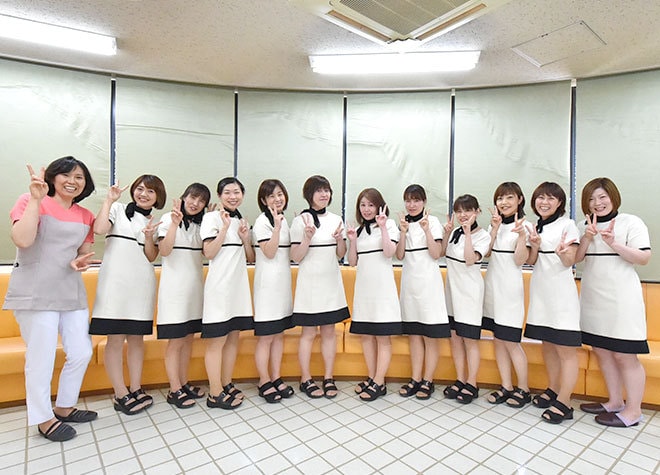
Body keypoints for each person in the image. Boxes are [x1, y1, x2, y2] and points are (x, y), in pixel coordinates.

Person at [3, 157, 97, 442]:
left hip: (70, 290)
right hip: (36, 290)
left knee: (81, 351)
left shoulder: (85, 215)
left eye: (79, 177)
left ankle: (65, 407)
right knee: (41, 356)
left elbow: (83, 252)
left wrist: (81, 262)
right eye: (66, 175)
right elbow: (22, 240)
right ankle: (43, 418)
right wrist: (35, 200)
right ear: (53, 177)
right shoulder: (30, 200)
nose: (72, 181)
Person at [576, 178, 651, 427]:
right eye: (591, 199)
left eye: (602, 197)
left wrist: (614, 243)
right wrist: (587, 237)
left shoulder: (631, 222)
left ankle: (634, 411)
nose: (597, 203)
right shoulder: (584, 225)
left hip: (622, 299)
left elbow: (643, 258)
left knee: (624, 355)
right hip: (593, 297)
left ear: (613, 197)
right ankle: (615, 401)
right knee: (602, 351)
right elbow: (577, 259)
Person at [89, 175, 166, 415]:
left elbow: (151, 256)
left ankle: (135, 387)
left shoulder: (155, 221)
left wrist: (150, 236)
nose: (144, 194)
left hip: (141, 285)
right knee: (115, 339)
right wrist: (108, 200)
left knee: (136, 340)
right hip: (115, 284)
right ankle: (120, 393)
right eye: (140, 189)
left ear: (158, 197)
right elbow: (99, 229)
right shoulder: (118, 209)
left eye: (150, 191)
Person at [524, 181, 580, 424]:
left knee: (566, 350)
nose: (544, 202)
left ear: (560, 203)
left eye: (550, 198)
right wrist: (535, 246)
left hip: (561, 295)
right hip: (541, 294)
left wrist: (563, 253)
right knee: (547, 345)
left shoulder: (568, 225)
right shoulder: (536, 226)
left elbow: (570, 261)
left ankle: (565, 402)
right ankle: (554, 389)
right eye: (540, 197)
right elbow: (531, 261)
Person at [290, 175, 350, 399]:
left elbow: (341, 254)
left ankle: (328, 377)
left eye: (327, 190)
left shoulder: (336, 219)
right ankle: (305, 378)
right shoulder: (301, 220)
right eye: (319, 190)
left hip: (331, 283)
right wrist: (307, 238)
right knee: (308, 333)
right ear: (309, 195)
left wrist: (340, 240)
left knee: (329, 332)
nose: (324, 194)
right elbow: (296, 256)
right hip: (310, 284)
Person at [201, 177, 254, 409]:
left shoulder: (241, 220)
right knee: (217, 342)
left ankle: (226, 383)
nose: (233, 196)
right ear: (220, 196)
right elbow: (209, 253)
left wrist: (245, 238)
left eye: (237, 192)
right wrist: (223, 228)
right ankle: (214, 393)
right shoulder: (211, 218)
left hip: (238, 288)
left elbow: (250, 258)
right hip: (220, 289)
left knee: (233, 338)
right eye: (227, 192)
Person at [157, 183, 211, 409]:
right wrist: (174, 224)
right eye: (192, 197)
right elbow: (164, 250)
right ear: (184, 197)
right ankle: (174, 389)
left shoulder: (200, 225)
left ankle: (184, 382)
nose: (195, 203)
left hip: (194, 291)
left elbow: (208, 253)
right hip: (174, 292)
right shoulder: (167, 219)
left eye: (201, 201)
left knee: (189, 339)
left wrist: (213, 220)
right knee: (176, 341)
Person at [395, 184, 449, 401]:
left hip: (429, 285)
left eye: (416, 200)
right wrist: (402, 232)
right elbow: (399, 255)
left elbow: (436, 254)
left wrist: (426, 230)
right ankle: (415, 378)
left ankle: (428, 380)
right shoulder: (403, 223)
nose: (412, 204)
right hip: (410, 284)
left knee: (430, 336)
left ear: (424, 202)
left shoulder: (432, 221)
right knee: (414, 335)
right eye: (408, 200)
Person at [347, 188, 401, 401]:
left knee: (383, 338)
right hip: (364, 290)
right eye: (363, 205)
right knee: (367, 337)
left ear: (379, 206)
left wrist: (383, 227)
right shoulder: (359, 231)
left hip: (383, 290)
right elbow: (352, 262)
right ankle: (372, 378)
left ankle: (379, 381)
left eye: (371, 204)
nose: (366, 209)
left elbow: (389, 252)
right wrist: (352, 240)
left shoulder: (389, 225)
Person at [482, 182, 531, 408]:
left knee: (511, 342)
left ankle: (524, 389)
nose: (504, 202)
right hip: (492, 288)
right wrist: (493, 229)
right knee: (498, 340)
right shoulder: (496, 224)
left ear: (519, 199)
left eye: (509, 197)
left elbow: (521, 260)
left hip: (510, 292)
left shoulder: (526, 226)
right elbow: (486, 253)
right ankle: (506, 386)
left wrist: (521, 236)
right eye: (500, 198)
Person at [441, 194, 491, 404]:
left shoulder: (483, 236)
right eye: (459, 211)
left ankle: (472, 383)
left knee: (470, 340)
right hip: (452, 291)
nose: (463, 215)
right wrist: (446, 233)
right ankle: (460, 378)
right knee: (455, 338)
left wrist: (469, 233)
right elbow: (441, 253)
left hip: (470, 293)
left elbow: (470, 259)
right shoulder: (455, 232)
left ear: (477, 212)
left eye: (468, 210)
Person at [252, 179, 295, 403]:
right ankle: (264, 380)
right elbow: (269, 252)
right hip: (267, 286)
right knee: (266, 337)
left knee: (279, 335)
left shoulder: (283, 220)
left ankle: (276, 377)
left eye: (280, 194)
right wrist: (277, 228)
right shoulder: (262, 222)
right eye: (271, 196)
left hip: (282, 285)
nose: (277, 199)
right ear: (263, 200)